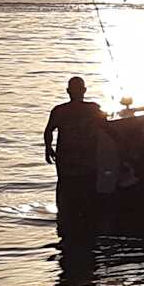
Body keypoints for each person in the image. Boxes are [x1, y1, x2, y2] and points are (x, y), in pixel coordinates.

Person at [44, 76, 104, 227]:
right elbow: (108, 127)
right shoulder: (93, 109)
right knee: (87, 185)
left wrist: (48, 148)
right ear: (84, 90)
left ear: (67, 91)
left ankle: (63, 217)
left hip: (66, 157)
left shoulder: (59, 111)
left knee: (64, 186)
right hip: (85, 157)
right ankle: (86, 218)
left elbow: (49, 131)